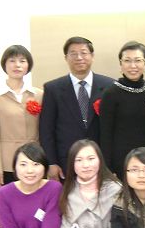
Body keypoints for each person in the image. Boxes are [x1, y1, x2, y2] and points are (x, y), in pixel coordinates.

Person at [39, 36, 115, 181]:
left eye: (84, 53)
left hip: (101, 160)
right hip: (66, 161)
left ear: (92, 56)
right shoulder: (53, 88)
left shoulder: (109, 86)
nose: (79, 57)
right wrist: (52, 162)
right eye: (73, 54)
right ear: (66, 58)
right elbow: (46, 129)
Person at [0, 44, 42, 187]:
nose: (17, 65)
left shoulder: (39, 95)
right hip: (8, 163)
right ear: (5, 64)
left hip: (35, 161)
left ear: (28, 65)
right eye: (12, 61)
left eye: (22, 61)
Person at [100, 41, 145, 175]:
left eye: (138, 60)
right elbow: (105, 134)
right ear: (121, 64)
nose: (133, 66)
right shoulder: (111, 93)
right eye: (127, 60)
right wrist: (107, 168)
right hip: (120, 161)